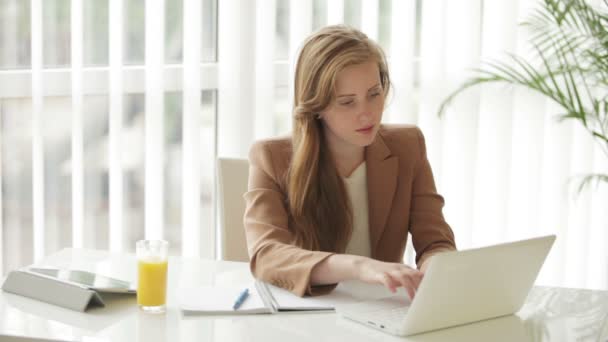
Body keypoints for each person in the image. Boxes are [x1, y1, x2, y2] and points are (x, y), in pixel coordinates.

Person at [243, 25, 456, 299]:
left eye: (374, 94)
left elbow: (436, 242)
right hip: (309, 315)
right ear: (315, 106)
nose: (367, 114)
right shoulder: (270, 156)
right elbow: (267, 255)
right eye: (347, 102)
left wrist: (433, 267)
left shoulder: (408, 146)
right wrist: (358, 266)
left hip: (381, 311)